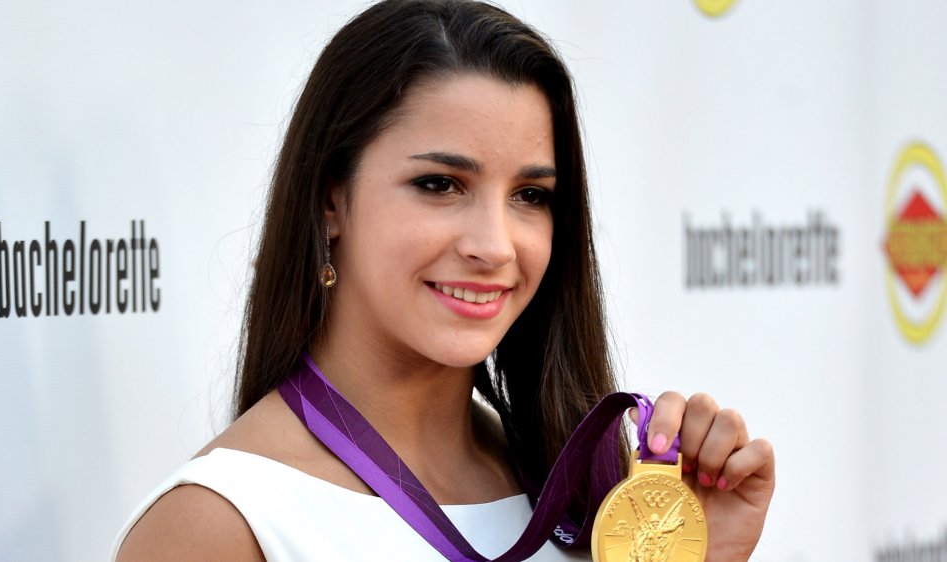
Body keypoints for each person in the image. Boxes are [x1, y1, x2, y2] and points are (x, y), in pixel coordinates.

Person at [113, 1, 775, 560]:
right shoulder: (217, 524)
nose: (493, 246)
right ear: (330, 199)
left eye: (531, 194)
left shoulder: (585, 485)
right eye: (439, 184)